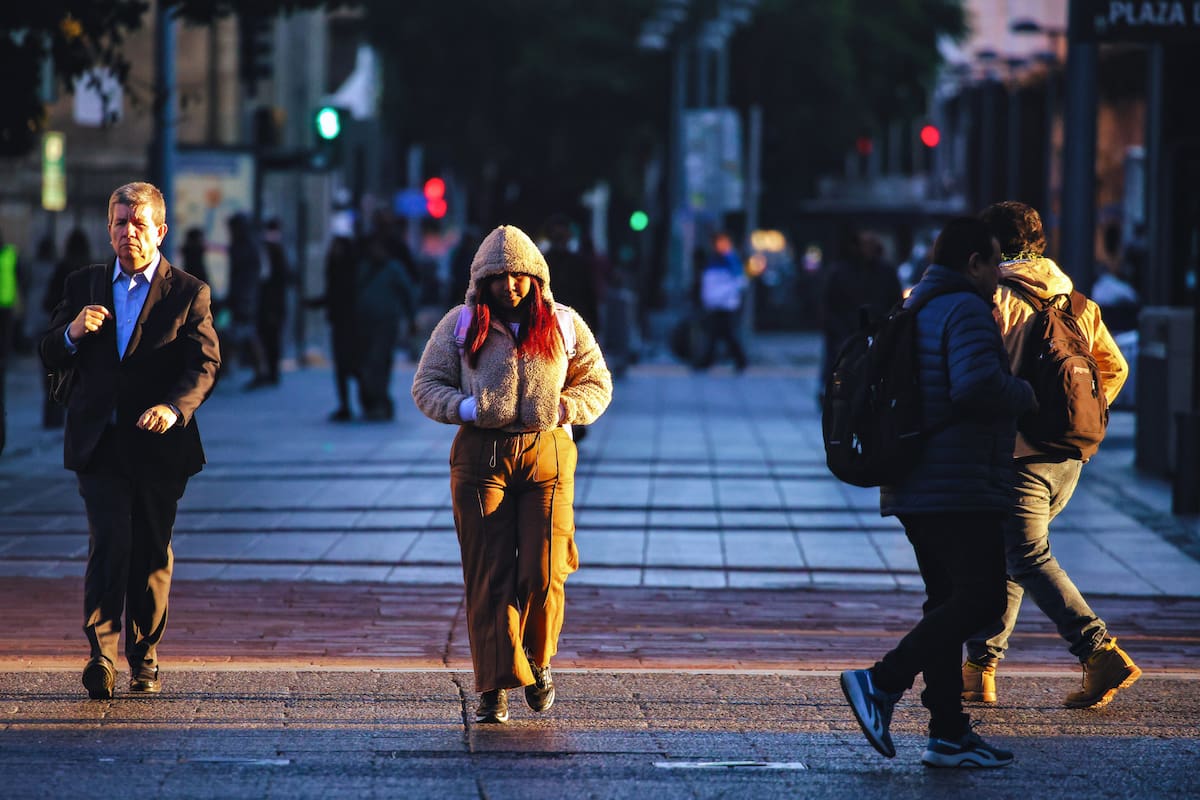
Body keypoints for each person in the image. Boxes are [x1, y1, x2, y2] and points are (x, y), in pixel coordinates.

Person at [839, 216, 1036, 768]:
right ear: (972, 262)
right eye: (994, 262)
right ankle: (881, 682)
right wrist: (1024, 392)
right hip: (958, 483)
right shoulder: (967, 308)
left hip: (914, 479)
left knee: (945, 602)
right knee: (983, 599)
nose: (999, 275)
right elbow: (975, 385)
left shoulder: (916, 304)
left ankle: (948, 733)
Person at [412, 224, 612, 724]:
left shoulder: (564, 323)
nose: (511, 286)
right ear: (482, 280)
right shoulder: (460, 324)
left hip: (547, 453)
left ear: (536, 277)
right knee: (489, 574)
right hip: (480, 457)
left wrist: (565, 407)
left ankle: (538, 660)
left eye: (520, 275)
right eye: (499, 277)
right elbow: (426, 385)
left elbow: (598, 382)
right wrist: (466, 408)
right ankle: (494, 686)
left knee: (545, 571)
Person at [39, 181, 221, 699]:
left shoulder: (188, 292)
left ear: (160, 230)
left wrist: (172, 408)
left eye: (138, 224)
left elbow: (205, 364)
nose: (128, 233)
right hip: (99, 441)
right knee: (109, 541)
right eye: (120, 223)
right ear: (109, 228)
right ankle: (100, 655)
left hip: (160, 444)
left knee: (150, 551)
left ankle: (144, 656)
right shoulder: (84, 285)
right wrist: (73, 331)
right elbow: (50, 351)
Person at [963, 201, 1136, 709]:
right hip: (1067, 456)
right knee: (1007, 557)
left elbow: (980, 379)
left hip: (1019, 454)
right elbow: (1115, 368)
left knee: (1025, 556)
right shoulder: (1078, 303)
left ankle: (1098, 650)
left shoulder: (996, 300)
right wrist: (1084, 419)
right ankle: (979, 669)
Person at [819, 230, 902, 395]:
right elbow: (829, 305)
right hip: (845, 332)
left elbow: (895, 302)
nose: (868, 248)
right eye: (864, 244)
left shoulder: (886, 272)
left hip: (877, 331)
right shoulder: (840, 272)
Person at [355, 229, 413, 421]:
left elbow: (408, 294)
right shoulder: (364, 268)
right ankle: (371, 402)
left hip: (386, 323)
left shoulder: (393, 269)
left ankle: (380, 402)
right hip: (364, 324)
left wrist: (411, 318)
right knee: (366, 364)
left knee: (379, 362)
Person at [41, 229, 92, 428]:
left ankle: (52, 419)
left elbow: (49, 300)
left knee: (52, 377)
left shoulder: (63, 268)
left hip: (61, 329)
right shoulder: (92, 269)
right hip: (87, 334)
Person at [695, 231, 748, 372]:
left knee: (722, 333)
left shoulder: (731, 260)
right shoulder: (714, 259)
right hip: (716, 304)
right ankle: (737, 360)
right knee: (719, 333)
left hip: (726, 304)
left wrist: (724, 297)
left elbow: (740, 283)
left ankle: (737, 360)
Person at [225, 212, 267, 387]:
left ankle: (225, 367)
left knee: (242, 333)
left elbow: (243, 277)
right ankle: (225, 366)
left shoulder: (244, 248)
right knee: (240, 333)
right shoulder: (248, 246)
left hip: (244, 298)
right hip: (244, 296)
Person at [251, 217, 291, 387]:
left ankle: (270, 372)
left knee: (270, 339)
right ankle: (270, 372)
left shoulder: (273, 253)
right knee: (270, 339)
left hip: (270, 305)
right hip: (272, 305)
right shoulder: (276, 252)